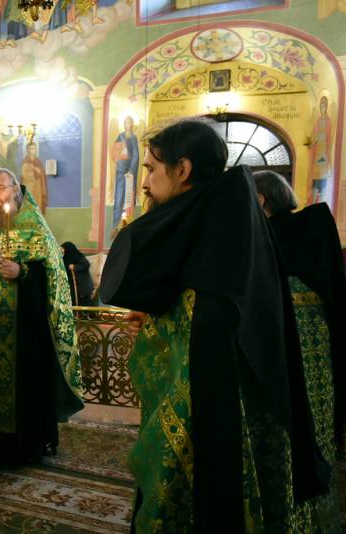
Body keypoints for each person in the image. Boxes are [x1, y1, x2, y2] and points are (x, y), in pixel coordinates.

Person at [99, 119, 328, 532]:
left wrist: (157, 327)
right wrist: (154, 313)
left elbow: (210, 321)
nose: (146, 183)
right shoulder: (217, 216)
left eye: (151, 169)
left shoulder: (223, 225)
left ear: (182, 170)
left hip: (216, 409)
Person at [0, 168, 84, 465]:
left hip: (23, 332)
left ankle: (23, 448)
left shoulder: (34, 228)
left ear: (15, 190)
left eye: (0, 188)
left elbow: (51, 278)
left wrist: (23, 272)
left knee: (22, 387)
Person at [253, 169, 345, 530]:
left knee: (286, 430)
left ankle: (289, 514)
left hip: (287, 345)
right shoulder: (311, 231)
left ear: (260, 201)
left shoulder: (266, 239)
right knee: (315, 426)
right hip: (319, 342)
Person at [110, 116, 139, 228]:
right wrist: (118, 160)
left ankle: (126, 224)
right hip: (120, 169)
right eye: (126, 123)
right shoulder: (120, 136)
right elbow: (114, 151)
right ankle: (115, 224)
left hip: (129, 171)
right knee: (119, 196)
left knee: (128, 197)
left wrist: (131, 170)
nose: (128, 125)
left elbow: (136, 155)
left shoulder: (133, 137)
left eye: (130, 123)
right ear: (124, 124)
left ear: (132, 124)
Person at [61, 241, 94, 306]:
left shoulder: (78, 256)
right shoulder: (65, 258)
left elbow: (86, 265)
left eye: (63, 249)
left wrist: (75, 267)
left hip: (81, 287)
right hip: (71, 286)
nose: (62, 251)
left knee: (84, 305)